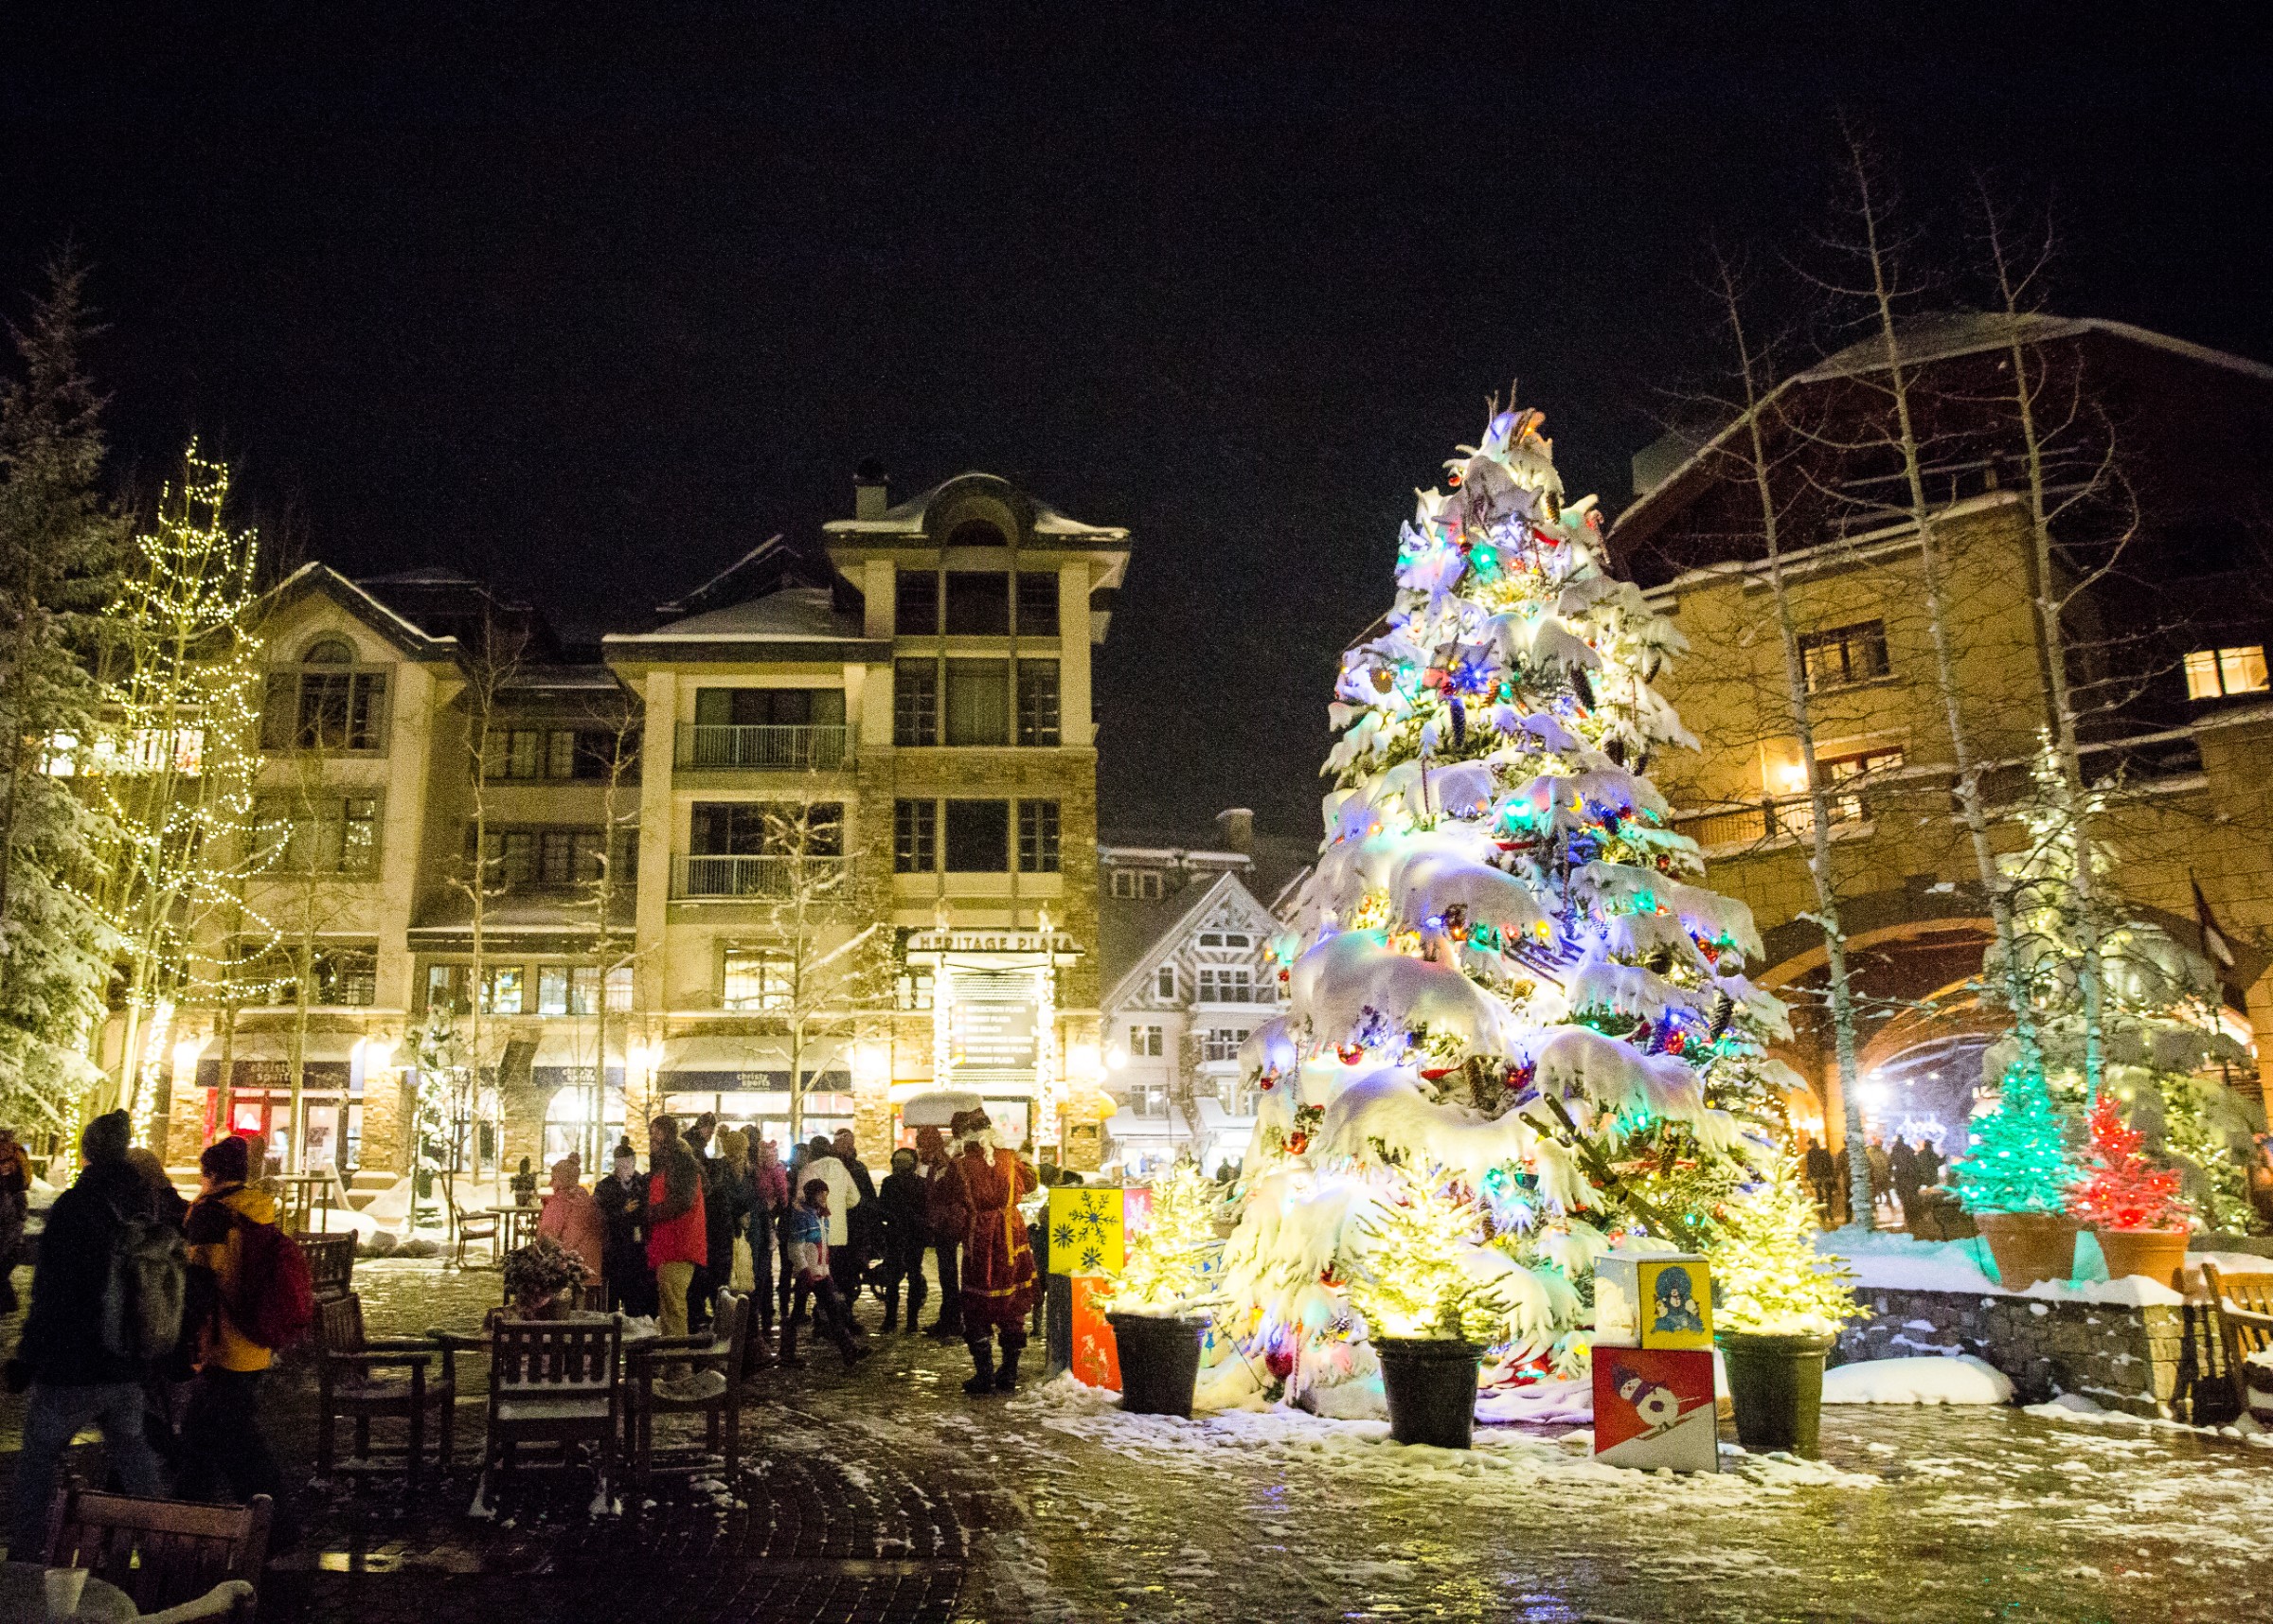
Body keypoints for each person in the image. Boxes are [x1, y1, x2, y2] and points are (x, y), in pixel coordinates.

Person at [6, 1112, 168, 1562]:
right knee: (136, 1460)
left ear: (88, 1150)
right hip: (127, 1355)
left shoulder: (77, 1207)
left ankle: (22, 1558)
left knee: (38, 1458)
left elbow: (52, 1293)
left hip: (73, 1363)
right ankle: (166, 1547)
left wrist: (28, 1355)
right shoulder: (142, 1203)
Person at [178, 1134, 292, 1544]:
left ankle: (274, 1525)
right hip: (254, 1341)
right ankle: (191, 1521)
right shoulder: (257, 1211)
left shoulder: (212, 1216)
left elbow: (200, 1283)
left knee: (233, 1442)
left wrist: (185, 1342)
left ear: (211, 1173)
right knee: (205, 1436)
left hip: (222, 1344)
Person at [935, 1109, 1038, 1396]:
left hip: (980, 1237)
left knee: (977, 1304)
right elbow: (1031, 1183)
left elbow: (943, 1194)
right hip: (1012, 1233)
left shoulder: (960, 1165)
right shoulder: (1011, 1159)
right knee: (1013, 1303)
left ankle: (984, 1375)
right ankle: (1009, 1371)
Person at [779, 1178, 869, 1367]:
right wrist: (804, 1271)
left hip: (820, 1273)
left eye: (825, 1194)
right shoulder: (802, 1217)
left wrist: (825, 1270)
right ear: (812, 1195)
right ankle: (787, 1353)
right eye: (821, 1194)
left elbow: (823, 1248)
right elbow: (795, 1247)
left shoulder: (821, 1216)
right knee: (798, 1314)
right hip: (808, 1275)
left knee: (833, 1312)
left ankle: (849, 1351)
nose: (824, 1197)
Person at [645, 1115, 707, 1354]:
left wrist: (650, 1213)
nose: (651, 1138)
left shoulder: (680, 1163)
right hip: (671, 1243)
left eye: (655, 1132)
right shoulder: (671, 1163)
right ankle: (673, 1363)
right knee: (670, 1307)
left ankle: (678, 1365)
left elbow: (682, 1201)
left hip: (678, 1242)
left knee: (673, 1307)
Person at [796, 1135, 864, 1327]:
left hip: (816, 1234)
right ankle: (841, 1319)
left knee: (818, 1278)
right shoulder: (841, 1168)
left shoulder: (809, 1169)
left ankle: (821, 1319)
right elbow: (855, 1199)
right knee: (837, 1278)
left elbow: (800, 1199)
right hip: (838, 1234)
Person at [594, 1141, 653, 1315]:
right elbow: (600, 1218)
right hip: (615, 1248)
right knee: (612, 1296)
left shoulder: (642, 1184)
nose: (626, 1168)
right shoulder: (605, 1187)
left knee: (635, 1296)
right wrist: (622, 1212)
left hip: (637, 1249)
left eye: (629, 1164)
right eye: (622, 1164)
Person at [915, 1126, 963, 1340]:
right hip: (944, 1225)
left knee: (948, 1275)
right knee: (947, 1275)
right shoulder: (937, 1163)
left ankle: (952, 1320)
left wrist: (935, 1222)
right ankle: (950, 1318)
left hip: (946, 1227)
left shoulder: (942, 1164)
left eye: (921, 1143)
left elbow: (940, 1198)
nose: (918, 1147)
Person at [876, 1147, 931, 1333]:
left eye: (905, 1162)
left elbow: (926, 1209)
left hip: (914, 1235)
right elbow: (882, 1206)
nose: (901, 1166)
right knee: (893, 1278)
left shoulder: (922, 1184)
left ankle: (911, 1321)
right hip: (896, 1235)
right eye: (898, 1162)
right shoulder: (889, 1183)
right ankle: (891, 1319)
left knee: (914, 1276)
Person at [537, 1155, 606, 1287]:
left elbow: (548, 1237)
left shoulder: (560, 1202)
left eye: (554, 1178)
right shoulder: (588, 1199)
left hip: (570, 1272)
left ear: (563, 1179)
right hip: (593, 1269)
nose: (550, 1183)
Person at [746, 1132, 787, 1342]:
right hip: (762, 1222)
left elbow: (782, 1195)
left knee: (762, 1271)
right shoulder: (757, 1171)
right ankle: (763, 1314)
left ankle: (762, 1315)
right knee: (763, 1271)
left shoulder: (768, 1171)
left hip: (764, 1223)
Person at [832, 1128, 879, 1311]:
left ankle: (845, 1312)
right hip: (837, 1226)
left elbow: (868, 1198)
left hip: (854, 1229)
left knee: (849, 1272)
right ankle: (834, 1314)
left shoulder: (858, 1168)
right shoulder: (833, 1167)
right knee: (836, 1271)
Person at [0, 1124, 31, 1316]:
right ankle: (8, 1303)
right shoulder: (16, 1151)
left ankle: (7, 1302)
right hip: (16, 1202)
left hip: (8, 1202)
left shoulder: (10, 1152)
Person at [1888, 1136, 1923, 1231]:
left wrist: (1890, 1175)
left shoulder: (1895, 1151)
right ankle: (1914, 1220)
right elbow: (1916, 1164)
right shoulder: (1909, 1149)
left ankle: (1908, 1219)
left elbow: (1890, 1164)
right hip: (1911, 1177)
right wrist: (1918, 1177)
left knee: (1904, 1200)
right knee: (1912, 1199)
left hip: (1900, 1178)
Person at [1802, 1136, 1835, 1224]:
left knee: (1819, 1197)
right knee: (1828, 1196)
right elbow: (1830, 1164)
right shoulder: (1825, 1152)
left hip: (1817, 1178)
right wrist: (1831, 1175)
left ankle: (1822, 1215)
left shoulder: (1810, 1153)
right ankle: (1829, 1213)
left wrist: (1809, 1177)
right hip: (1826, 1177)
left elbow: (1810, 1166)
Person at [1865, 1134, 1892, 1215]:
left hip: (1879, 1176)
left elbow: (1889, 1163)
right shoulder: (1878, 1152)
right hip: (1878, 1176)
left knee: (1877, 1194)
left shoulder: (1875, 1152)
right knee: (1877, 1194)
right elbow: (1889, 1163)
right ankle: (1875, 1211)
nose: (1880, 1144)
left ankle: (1875, 1211)